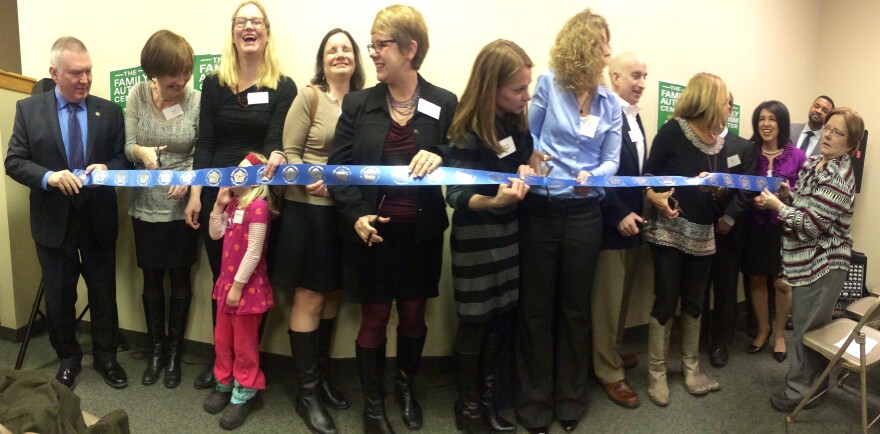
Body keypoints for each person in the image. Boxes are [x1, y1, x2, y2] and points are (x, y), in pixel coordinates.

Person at [327, 5, 458, 433]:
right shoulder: (359, 104)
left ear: (409, 49)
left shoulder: (444, 102)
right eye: (373, 44)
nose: (374, 53)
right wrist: (355, 216)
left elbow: (460, 159)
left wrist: (441, 155)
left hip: (421, 233)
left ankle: (405, 388)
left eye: (381, 45)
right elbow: (338, 170)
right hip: (374, 234)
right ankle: (374, 404)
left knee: (416, 316)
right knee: (375, 318)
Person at [516, 9, 620, 434]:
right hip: (541, 211)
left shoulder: (610, 102)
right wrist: (543, 163)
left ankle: (571, 399)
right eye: (601, 42)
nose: (608, 51)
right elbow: (531, 140)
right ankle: (534, 403)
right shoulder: (546, 85)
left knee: (576, 309)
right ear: (581, 46)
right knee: (536, 309)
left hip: (584, 215)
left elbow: (611, 159)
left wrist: (592, 177)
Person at [5, 36, 129, 390]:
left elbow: (123, 159)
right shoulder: (29, 111)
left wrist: (107, 166)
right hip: (52, 220)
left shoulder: (110, 111)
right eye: (75, 73)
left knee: (103, 291)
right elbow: (14, 161)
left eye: (88, 71)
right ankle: (68, 359)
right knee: (59, 295)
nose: (85, 80)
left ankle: (107, 358)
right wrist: (48, 177)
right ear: (54, 73)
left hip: (98, 218)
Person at [185, 0, 296, 390]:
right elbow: (205, 141)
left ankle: (246, 371)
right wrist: (197, 193)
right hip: (218, 195)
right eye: (241, 22)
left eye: (256, 21)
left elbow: (274, 140)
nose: (249, 27)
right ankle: (223, 362)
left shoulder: (283, 85)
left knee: (249, 285)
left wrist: (269, 164)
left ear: (267, 32)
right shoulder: (213, 84)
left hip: (257, 200)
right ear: (233, 32)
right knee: (221, 280)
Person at [270, 28, 364, 434]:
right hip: (307, 212)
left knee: (332, 298)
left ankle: (322, 379)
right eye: (332, 50)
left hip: (345, 213)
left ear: (356, 58)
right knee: (308, 297)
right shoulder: (309, 97)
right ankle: (306, 394)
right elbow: (289, 153)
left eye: (346, 49)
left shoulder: (365, 103)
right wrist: (311, 176)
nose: (340, 55)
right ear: (322, 60)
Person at [446, 39, 533, 434]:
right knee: (474, 325)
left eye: (526, 86)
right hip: (476, 241)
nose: (525, 96)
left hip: (508, 237)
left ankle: (488, 400)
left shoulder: (515, 126)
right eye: (518, 88)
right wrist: (495, 200)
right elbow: (457, 195)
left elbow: (522, 167)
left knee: (499, 321)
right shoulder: (465, 131)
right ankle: (467, 408)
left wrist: (531, 170)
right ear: (491, 86)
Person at [762, 107, 862, 413]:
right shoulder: (818, 163)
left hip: (824, 264)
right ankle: (811, 385)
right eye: (828, 128)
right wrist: (788, 195)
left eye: (838, 132)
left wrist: (777, 206)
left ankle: (802, 391)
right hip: (806, 260)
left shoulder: (840, 177)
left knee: (808, 330)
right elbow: (806, 204)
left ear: (851, 143)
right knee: (808, 327)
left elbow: (810, 224)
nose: (828, 135)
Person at [642, 72, 728, 406]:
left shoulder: (719, 140)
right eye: (722, 99)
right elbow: (646, 175)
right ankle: (657, 373)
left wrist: (718, 187)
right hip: (668, 232)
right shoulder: (673, 130)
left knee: (695, 301)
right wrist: (655, 196)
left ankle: (692, 370)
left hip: (704, 234)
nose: (726, 106)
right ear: (707, 98)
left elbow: (716, 185)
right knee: (666, 300)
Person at [123, 29, 200, 389]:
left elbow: (204, 149)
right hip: (145, 204)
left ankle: (173, 355)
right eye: (173, 74)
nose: (181, 81)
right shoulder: (137, 95)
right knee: (152, 277)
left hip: (183, 203)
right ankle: (155, 351)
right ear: (153, 71)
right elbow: (128, 145)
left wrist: (189, 178)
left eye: (186, 72)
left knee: (181, 278)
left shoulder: (197, 99)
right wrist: (142, 154)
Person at [201, 153, 277, 430]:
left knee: (245, 343)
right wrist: (218, 207)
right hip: (226, 286)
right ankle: (224, 381)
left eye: (242, 171)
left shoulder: (258, 207)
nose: (235, 174)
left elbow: (254, 251)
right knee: (222, 338)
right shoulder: (233, 204)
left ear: (256, 178)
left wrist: (238, 286)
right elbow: (215, 235)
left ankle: (246, 390)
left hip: (245, 289)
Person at [591, 51, 647, 409]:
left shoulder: (634, 118)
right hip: (610, 225)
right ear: (614, 78)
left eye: (645, 76)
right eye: (634, 76)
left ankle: (609, 350)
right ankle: (608, 370)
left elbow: (637, 174)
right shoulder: (601, 116)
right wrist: (618, 213)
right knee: (606, 302)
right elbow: (594, 170)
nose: (641, 83)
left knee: (621, 298)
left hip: (635, 224)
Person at [743, 101, 806, 363]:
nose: (766, 124)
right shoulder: (749, 152)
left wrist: (786, 196)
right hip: (756, 227)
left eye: (772, 119)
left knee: (781, 284)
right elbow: (740, 187)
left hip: (784, 228)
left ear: (781, 123)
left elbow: (805, 197)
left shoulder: (798, 156)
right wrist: (752, 201)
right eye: (761, 119)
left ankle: (779, 334)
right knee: (757, 279)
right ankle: (763, 329)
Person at [702, 93, 757, 368]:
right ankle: (699, 338)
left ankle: (720, 343)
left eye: (722, 103)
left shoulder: (743, 147)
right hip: (698, 226)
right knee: (698, 286)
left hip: (729, 231)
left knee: (724, 289)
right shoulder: (698, 141)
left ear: (729, 109)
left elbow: (747, 189)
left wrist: (730, 218)